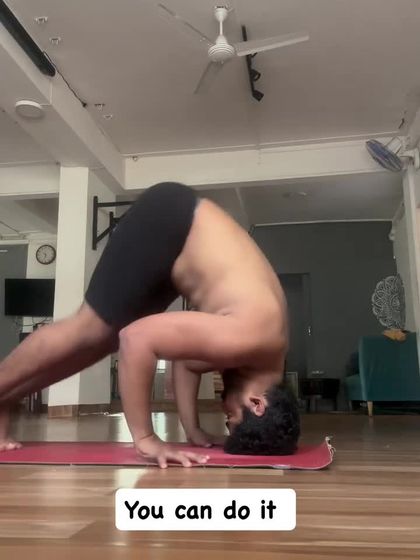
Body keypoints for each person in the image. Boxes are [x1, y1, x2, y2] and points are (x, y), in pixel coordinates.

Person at [0, 182, 300, 467]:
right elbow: (136, 338)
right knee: (90, 328)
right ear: (257, 404)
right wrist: (146, 438)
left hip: (177, 249)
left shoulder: (259, 357)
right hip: (171, 220)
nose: (224, 410)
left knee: (105, 339)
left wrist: (192, 428)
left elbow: (187, 363)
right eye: (230, 417)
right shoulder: (249, 336)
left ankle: (6, 397)